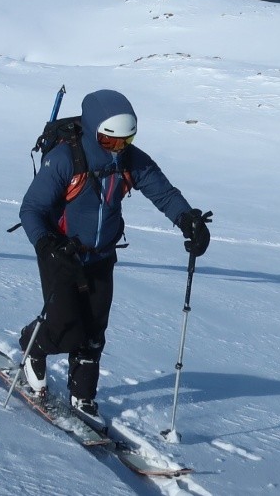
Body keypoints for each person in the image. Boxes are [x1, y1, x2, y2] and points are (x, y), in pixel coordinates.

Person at [17, 88, 210, 420]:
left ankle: (83, 396)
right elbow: (31, 209)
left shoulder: (130, 160)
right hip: (60, 252)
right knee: (65, 326)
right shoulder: (65, 159)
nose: (119, 149)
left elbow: (163, 192)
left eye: (126, 140)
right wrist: (46, 245)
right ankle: (33, 346)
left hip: (102, 254)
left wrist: (188, 220)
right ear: (94, 131)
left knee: (94, 330)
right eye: (110, 142)